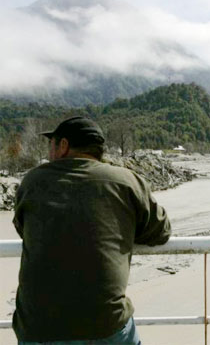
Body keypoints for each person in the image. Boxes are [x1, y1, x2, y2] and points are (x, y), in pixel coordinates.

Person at [12, 116, 171, 344]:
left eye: (52, 144)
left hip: (38, 327)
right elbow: (161, 231)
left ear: (64, 145)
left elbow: (24, 229)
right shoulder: (126, 181)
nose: (49, 151)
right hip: (105, 326)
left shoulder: (33, 182)